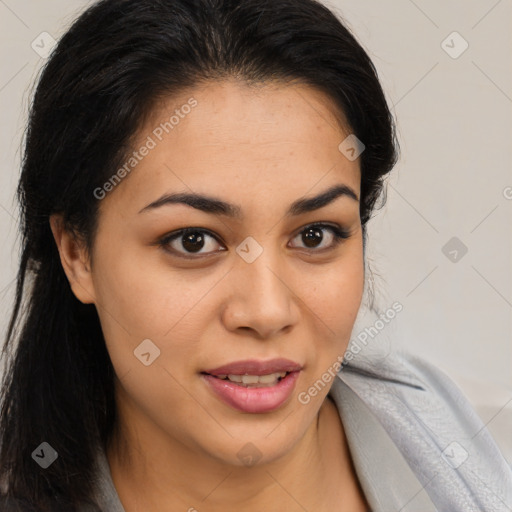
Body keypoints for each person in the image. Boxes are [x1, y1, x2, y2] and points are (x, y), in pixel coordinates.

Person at [0, 0, 510, 510]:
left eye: (315, 235)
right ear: (76, 254)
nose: (267, 311)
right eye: (193, 241)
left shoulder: (449, 432)